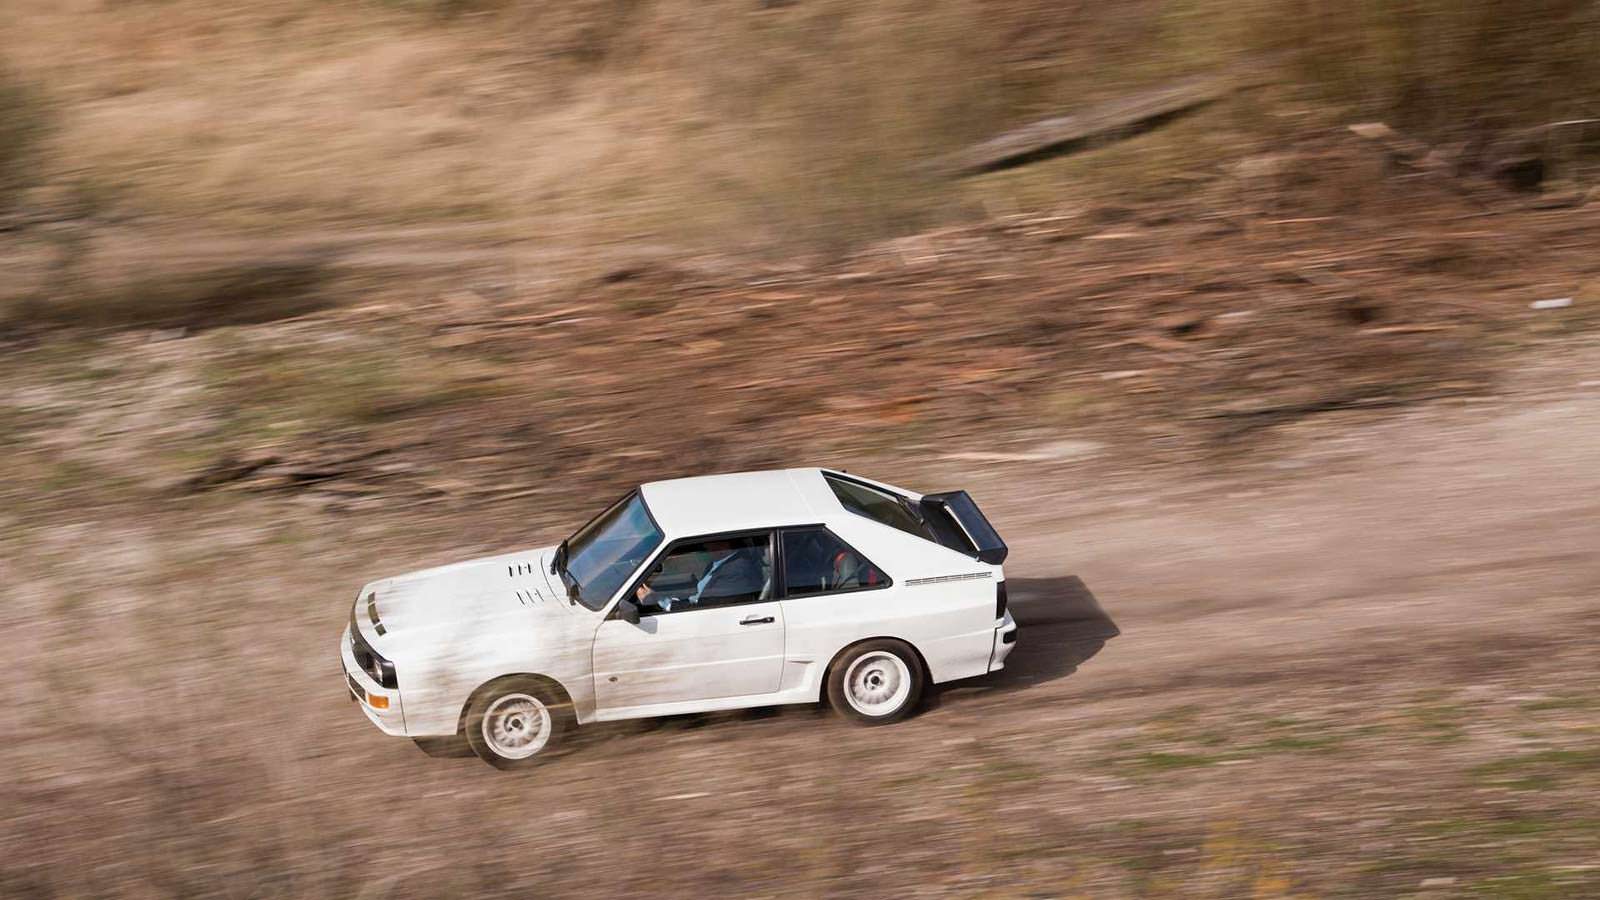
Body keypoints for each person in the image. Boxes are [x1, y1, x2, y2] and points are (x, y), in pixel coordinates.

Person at [635, 540, 766, 612]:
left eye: (709, 541)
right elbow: (700, 595)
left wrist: (660, 601)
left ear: (723, 543)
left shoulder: (736, 571)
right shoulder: (718, 562)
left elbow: (705, 607)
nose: (705, 545)